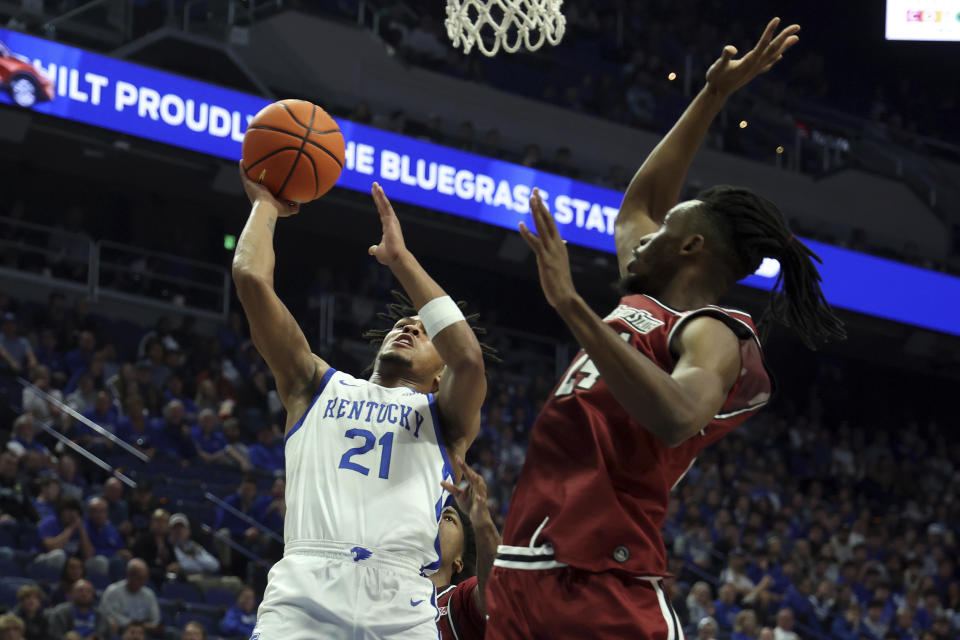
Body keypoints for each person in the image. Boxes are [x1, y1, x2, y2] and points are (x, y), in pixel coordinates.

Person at [486, 18, 845, 639]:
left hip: (605, 579)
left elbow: (679, 413)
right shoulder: (644, 295)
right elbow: (637, 206)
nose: (642, 233)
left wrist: (572, 306)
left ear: (692, 249)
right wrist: (712, 96)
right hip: (525, 564)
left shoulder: (716, 331)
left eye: (664, 231)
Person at [233, 169, 488, 639]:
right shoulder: (313, 384)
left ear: (440, 374)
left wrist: (402, 260)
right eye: (404, 323)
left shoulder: (445, 418)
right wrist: (265, 205)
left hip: (401, 604)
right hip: (305, 592)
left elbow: (470, 358)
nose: (410, 327)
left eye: (426, 329)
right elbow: (250, 279)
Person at [431, 456, 500, 640]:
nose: (437, 519)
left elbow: (497, 591)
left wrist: (482, 522)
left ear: (459, 562)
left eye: (448, 518)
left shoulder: (458, 601)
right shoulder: (381, 586)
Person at [99, 558, 162, 637]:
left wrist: (145, 626)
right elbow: (106, 615)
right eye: (139, 578)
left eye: (145, 578)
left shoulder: (149, 594)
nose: (142, 582)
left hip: (143, 631)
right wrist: (131, 624)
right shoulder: (112, 591)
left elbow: (156, 619)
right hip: (120, 629)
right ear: (129, 575)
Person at [46, 579, 110, 640]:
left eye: (88, 591)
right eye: (80, 590)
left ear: (93, 594)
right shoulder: (60, 613)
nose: (84, 594)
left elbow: (106, 636)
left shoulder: (101, 616)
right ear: (72, 593)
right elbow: (54, 635)